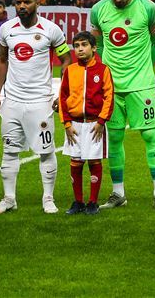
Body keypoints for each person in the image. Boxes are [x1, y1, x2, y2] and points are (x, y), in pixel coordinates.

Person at [0, 0, 71, 214]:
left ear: (38, 2)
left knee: (46, 151)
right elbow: (1, 61)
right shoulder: (7, 29)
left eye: (27, 2)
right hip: (12, 101)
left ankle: (48, 198)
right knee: (9, 150)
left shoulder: (51, 30)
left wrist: (62, 92)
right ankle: (9, 198)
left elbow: (66, 60)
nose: (22, 6)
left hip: (41, 102)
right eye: (18, 2)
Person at [89, 0, 155, 210]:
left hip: (141, 86)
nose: (118, 0)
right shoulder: (98, 10)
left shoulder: (148, 8)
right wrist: (106, 73)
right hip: (112, 87)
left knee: (149, 135)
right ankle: (118, 193)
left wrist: (145, 67)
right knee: (114, 138)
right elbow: (98, 44)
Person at [59, 31, 114, 215]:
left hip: (94, 124)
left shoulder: (103, 70)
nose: (80, 49)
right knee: (75, 162)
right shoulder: (70, 70)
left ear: (94, 48)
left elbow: (109, 96)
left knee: (94, 160)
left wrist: (101, 121)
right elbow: (62, 97)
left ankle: (92, 202)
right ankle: (78, 202)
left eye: (84, 45)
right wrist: (66, 123)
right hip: (74, 125)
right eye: (76, 46)